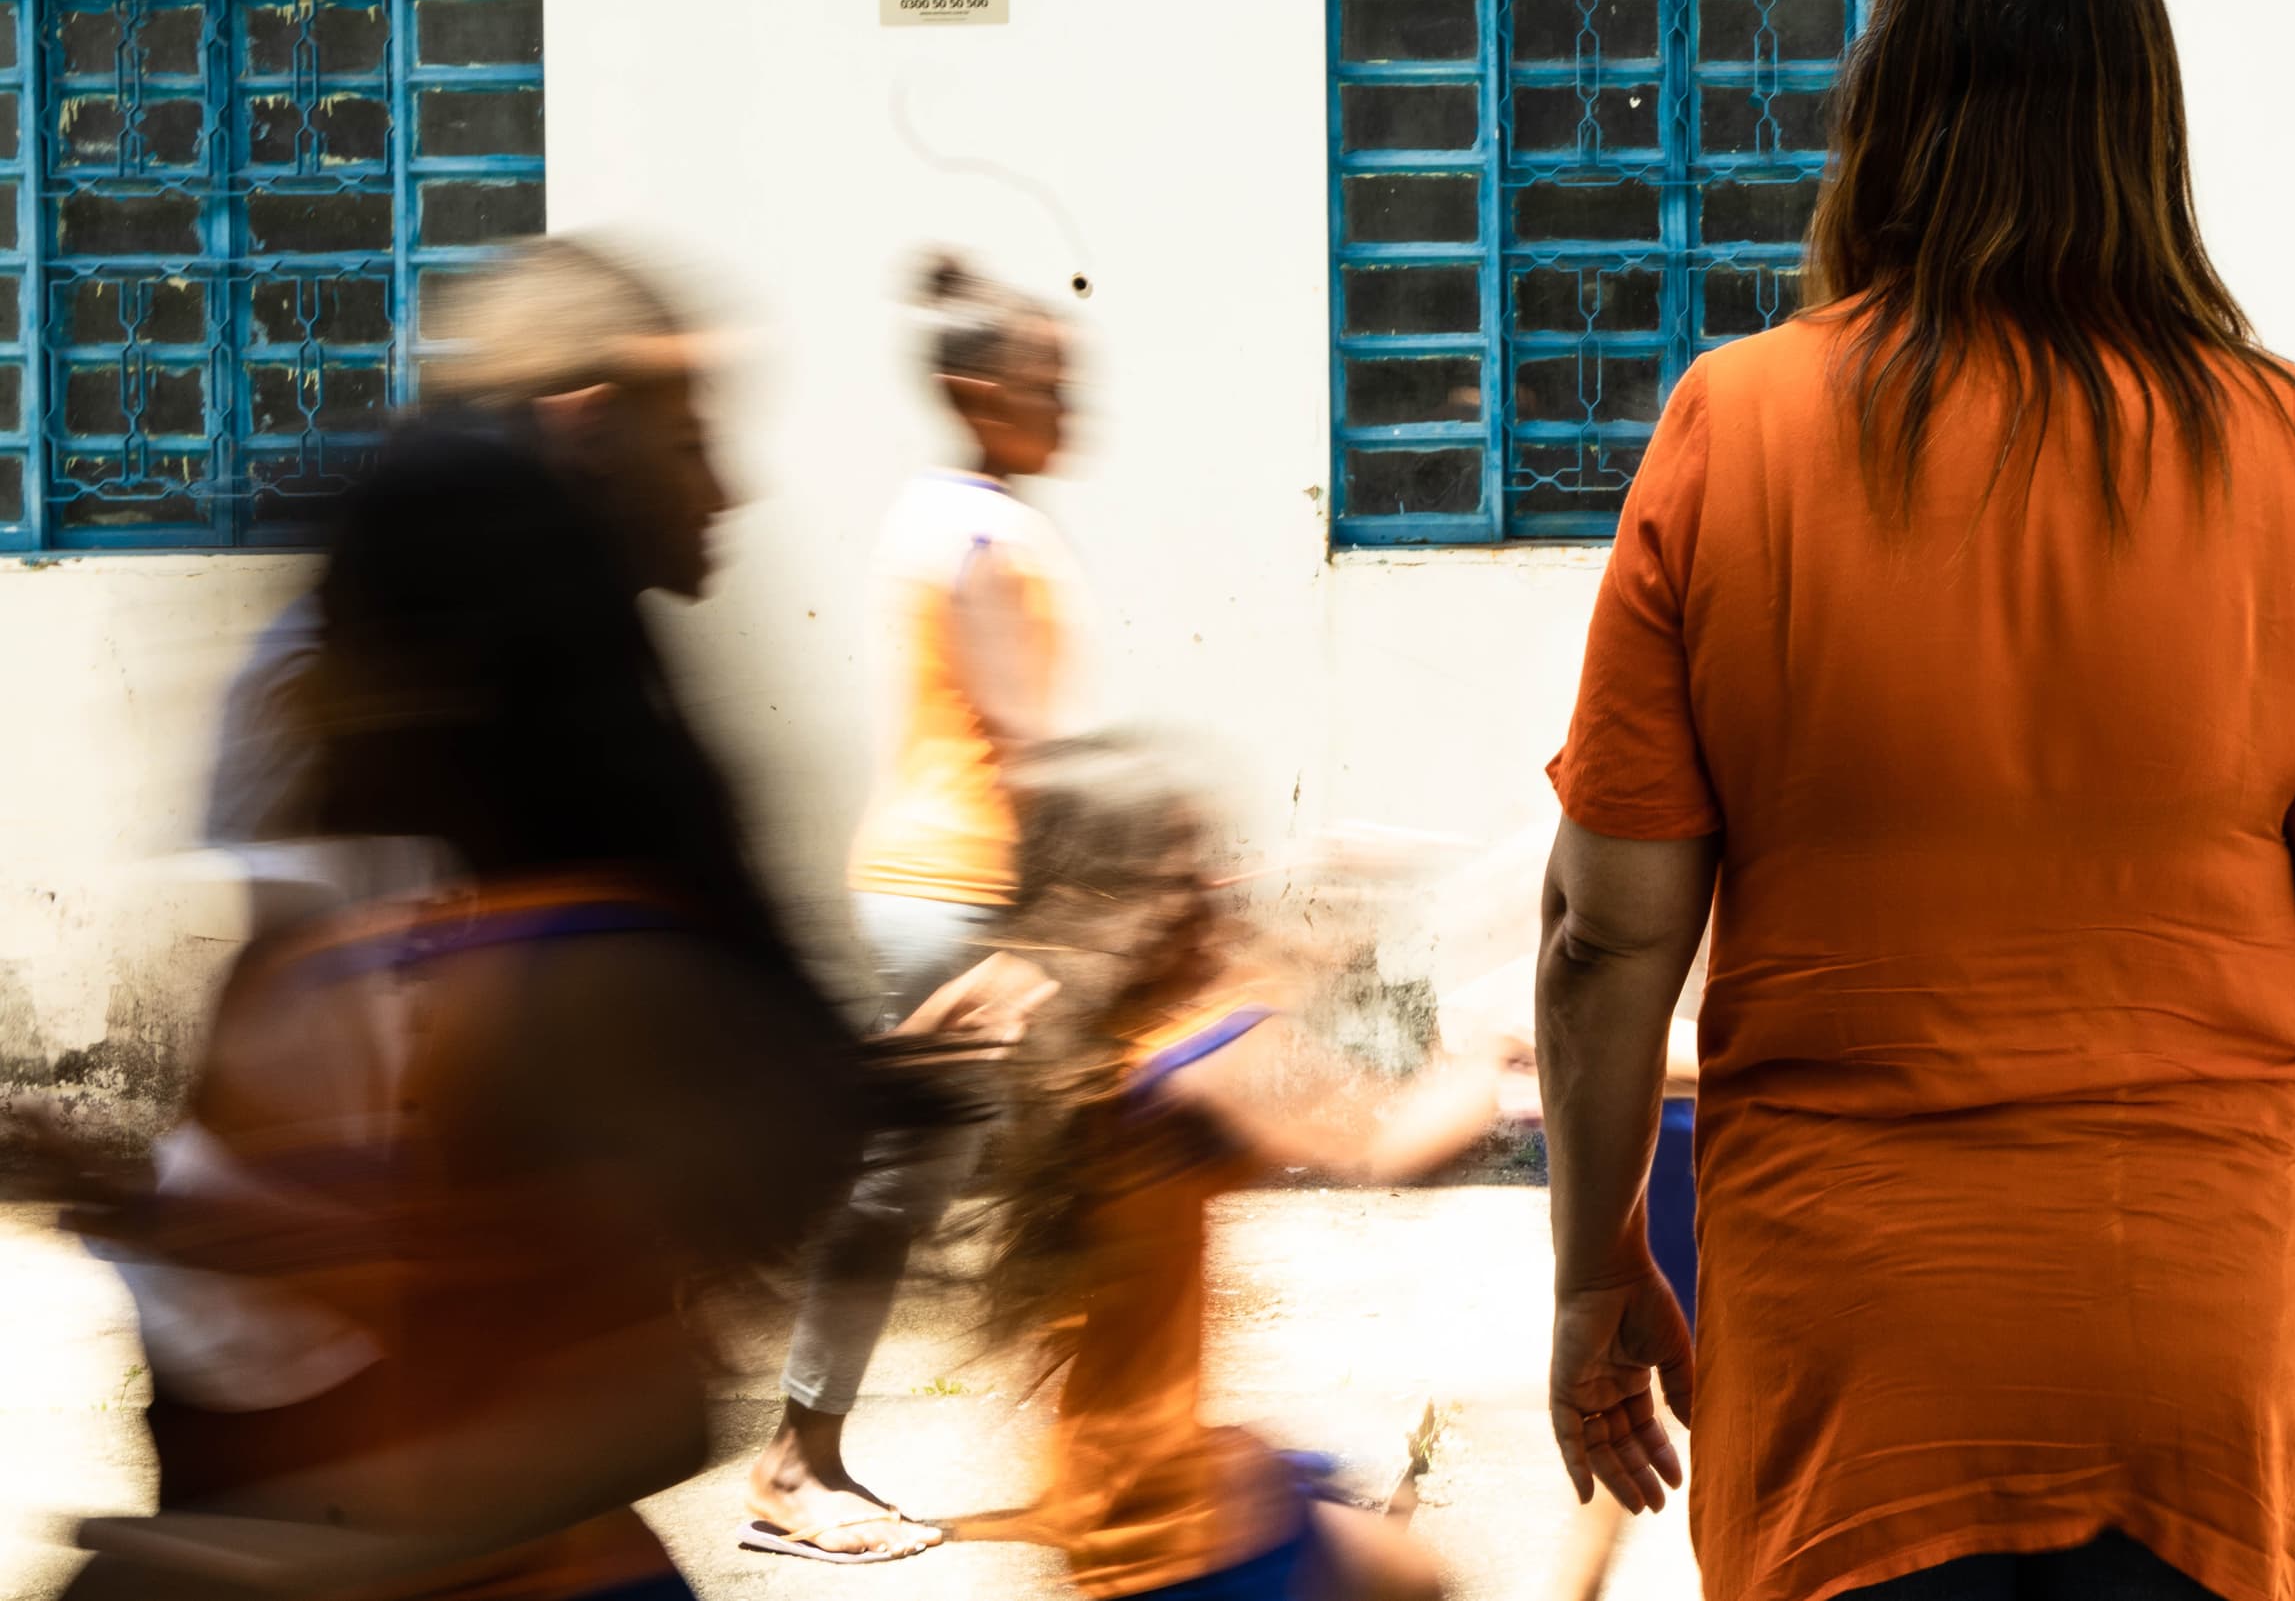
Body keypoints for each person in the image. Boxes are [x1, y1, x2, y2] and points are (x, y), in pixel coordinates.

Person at [1535, 0, 2295, 1601]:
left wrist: (1594, 1264)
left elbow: (1605, 938)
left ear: (1881, 118)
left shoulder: (1732, 433)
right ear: (2148, 131)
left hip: (1858, 1352)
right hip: (2216, 1342)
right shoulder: (2293, 450)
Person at [28, 234, 1046, 1601]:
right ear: (583, 431)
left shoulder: (552, 874)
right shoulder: (431, 832)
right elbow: (386, 1152)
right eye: (691, 436)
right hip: (334, 1431)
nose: (724, 485)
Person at [941, 734, 1471, 1601]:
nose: (1220, 890)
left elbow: (1235, 995)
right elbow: (1394, 1148)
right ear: (1121, 906)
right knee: (1412, 1580)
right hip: (1169, 1519)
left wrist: (1326, 919)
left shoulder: (1089, 1041)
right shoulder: (1197, 1073)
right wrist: (1493, 1047)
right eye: (1189, 874)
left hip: (1107, 1476)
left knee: (1395, 1564)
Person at [751, 254, 1097, 1559]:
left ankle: (1104, 1441)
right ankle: (795, 1460)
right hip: (964, 897)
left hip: (945, 887)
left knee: (1024, 1172)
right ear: (970, 387)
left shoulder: (952, 510)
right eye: (1042, 380)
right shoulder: (983, 536)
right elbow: (1020, 746)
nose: (1069, 404)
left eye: (1068, 377)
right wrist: (1073, 908)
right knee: (916, 1186)